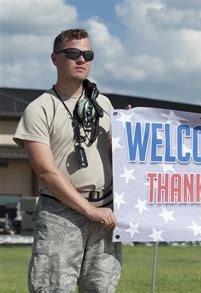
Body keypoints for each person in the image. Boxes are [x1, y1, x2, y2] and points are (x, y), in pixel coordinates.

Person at [14, 28, 122, 292]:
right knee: (52, 288)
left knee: (102, 288)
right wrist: (89, 211)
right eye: (72, 53)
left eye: (88, 54)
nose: (81, 59)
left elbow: (118, 158)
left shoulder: (105, 105)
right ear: (55, 59)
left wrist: (132, 130)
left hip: (105, 213)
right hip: (60, 215)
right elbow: (46, 171)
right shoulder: (39, 108)